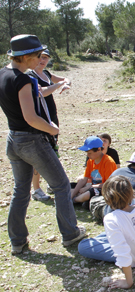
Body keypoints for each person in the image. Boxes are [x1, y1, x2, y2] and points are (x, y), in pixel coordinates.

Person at [0, 34, 86, 253]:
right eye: (38, 55)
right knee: (61, 185)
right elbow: (30, 117)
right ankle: (70, 233)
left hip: (13, 139)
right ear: (27, 56)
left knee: (21, 189)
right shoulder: (24, 79)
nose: (40, 58)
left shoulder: (4, 73)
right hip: (32, 139)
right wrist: (53, 129)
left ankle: (17, 242)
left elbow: (21, 105)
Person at [78, 176, 135, 289]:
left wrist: (128, 282)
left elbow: (122, 252)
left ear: (107, 198)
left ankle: (111, 236)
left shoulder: (111, 219)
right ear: (131, 193)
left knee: (83, 246)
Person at [28, 48, 71, 201]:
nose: (43, 60)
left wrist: (65, 83)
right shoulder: (29, 76)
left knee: (52, 150)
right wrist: (59, 85)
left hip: (51, 116)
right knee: (39, 155)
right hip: (40, 118)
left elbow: (65, 78)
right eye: (40, 57)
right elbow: (42, 92)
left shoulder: (45, 74)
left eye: (46, 58)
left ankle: (51, 183)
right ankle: (36, 189)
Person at [71, 136, 117, 204]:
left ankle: (75, 200)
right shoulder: (90, 161)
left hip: (104, 189)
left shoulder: (108, 162)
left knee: (90, 192)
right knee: (70, 186)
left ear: (99, 149)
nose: (88, 155)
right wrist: (73, 194)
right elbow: (84, 180)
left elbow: (108, 184)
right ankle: (77, 198)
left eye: (90, 153)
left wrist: (90, 186)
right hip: (93, 187)